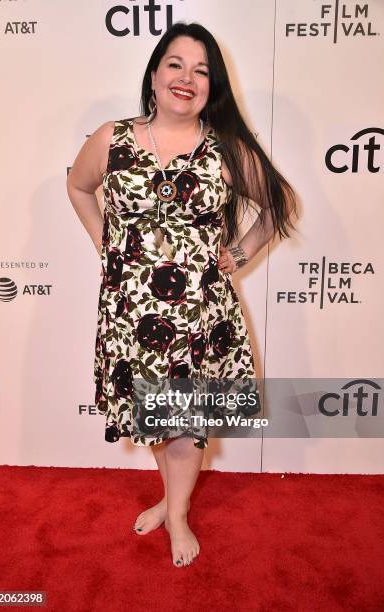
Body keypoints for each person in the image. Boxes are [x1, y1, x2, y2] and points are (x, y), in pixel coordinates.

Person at [66, 22, 297, 569]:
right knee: (151, 416)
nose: (186, 78)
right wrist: (106, 243)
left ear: (211, 87)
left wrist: (237, 256)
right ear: (154, 74)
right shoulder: (112, 139)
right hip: (130, 315)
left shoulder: (227, 150)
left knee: (187, 423)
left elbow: (275, 210)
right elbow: (78, 187)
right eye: (175, 64)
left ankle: (177, 513)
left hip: (200, 316)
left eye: (201, 70)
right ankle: (171, 500)